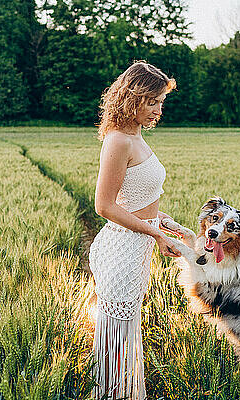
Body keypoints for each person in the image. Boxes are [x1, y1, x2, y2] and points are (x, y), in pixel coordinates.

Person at [88, 61, 183, 400]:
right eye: (153, 101)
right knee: (114, 345)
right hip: (121, 253)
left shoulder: (135, 135)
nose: (159, 110)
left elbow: (140, 201)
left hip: (136, 251)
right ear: (132, 98)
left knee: (123, 340)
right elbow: (105, 206)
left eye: (161, 102)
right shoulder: (117, 141)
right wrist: (156, 234)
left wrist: (169, 226)